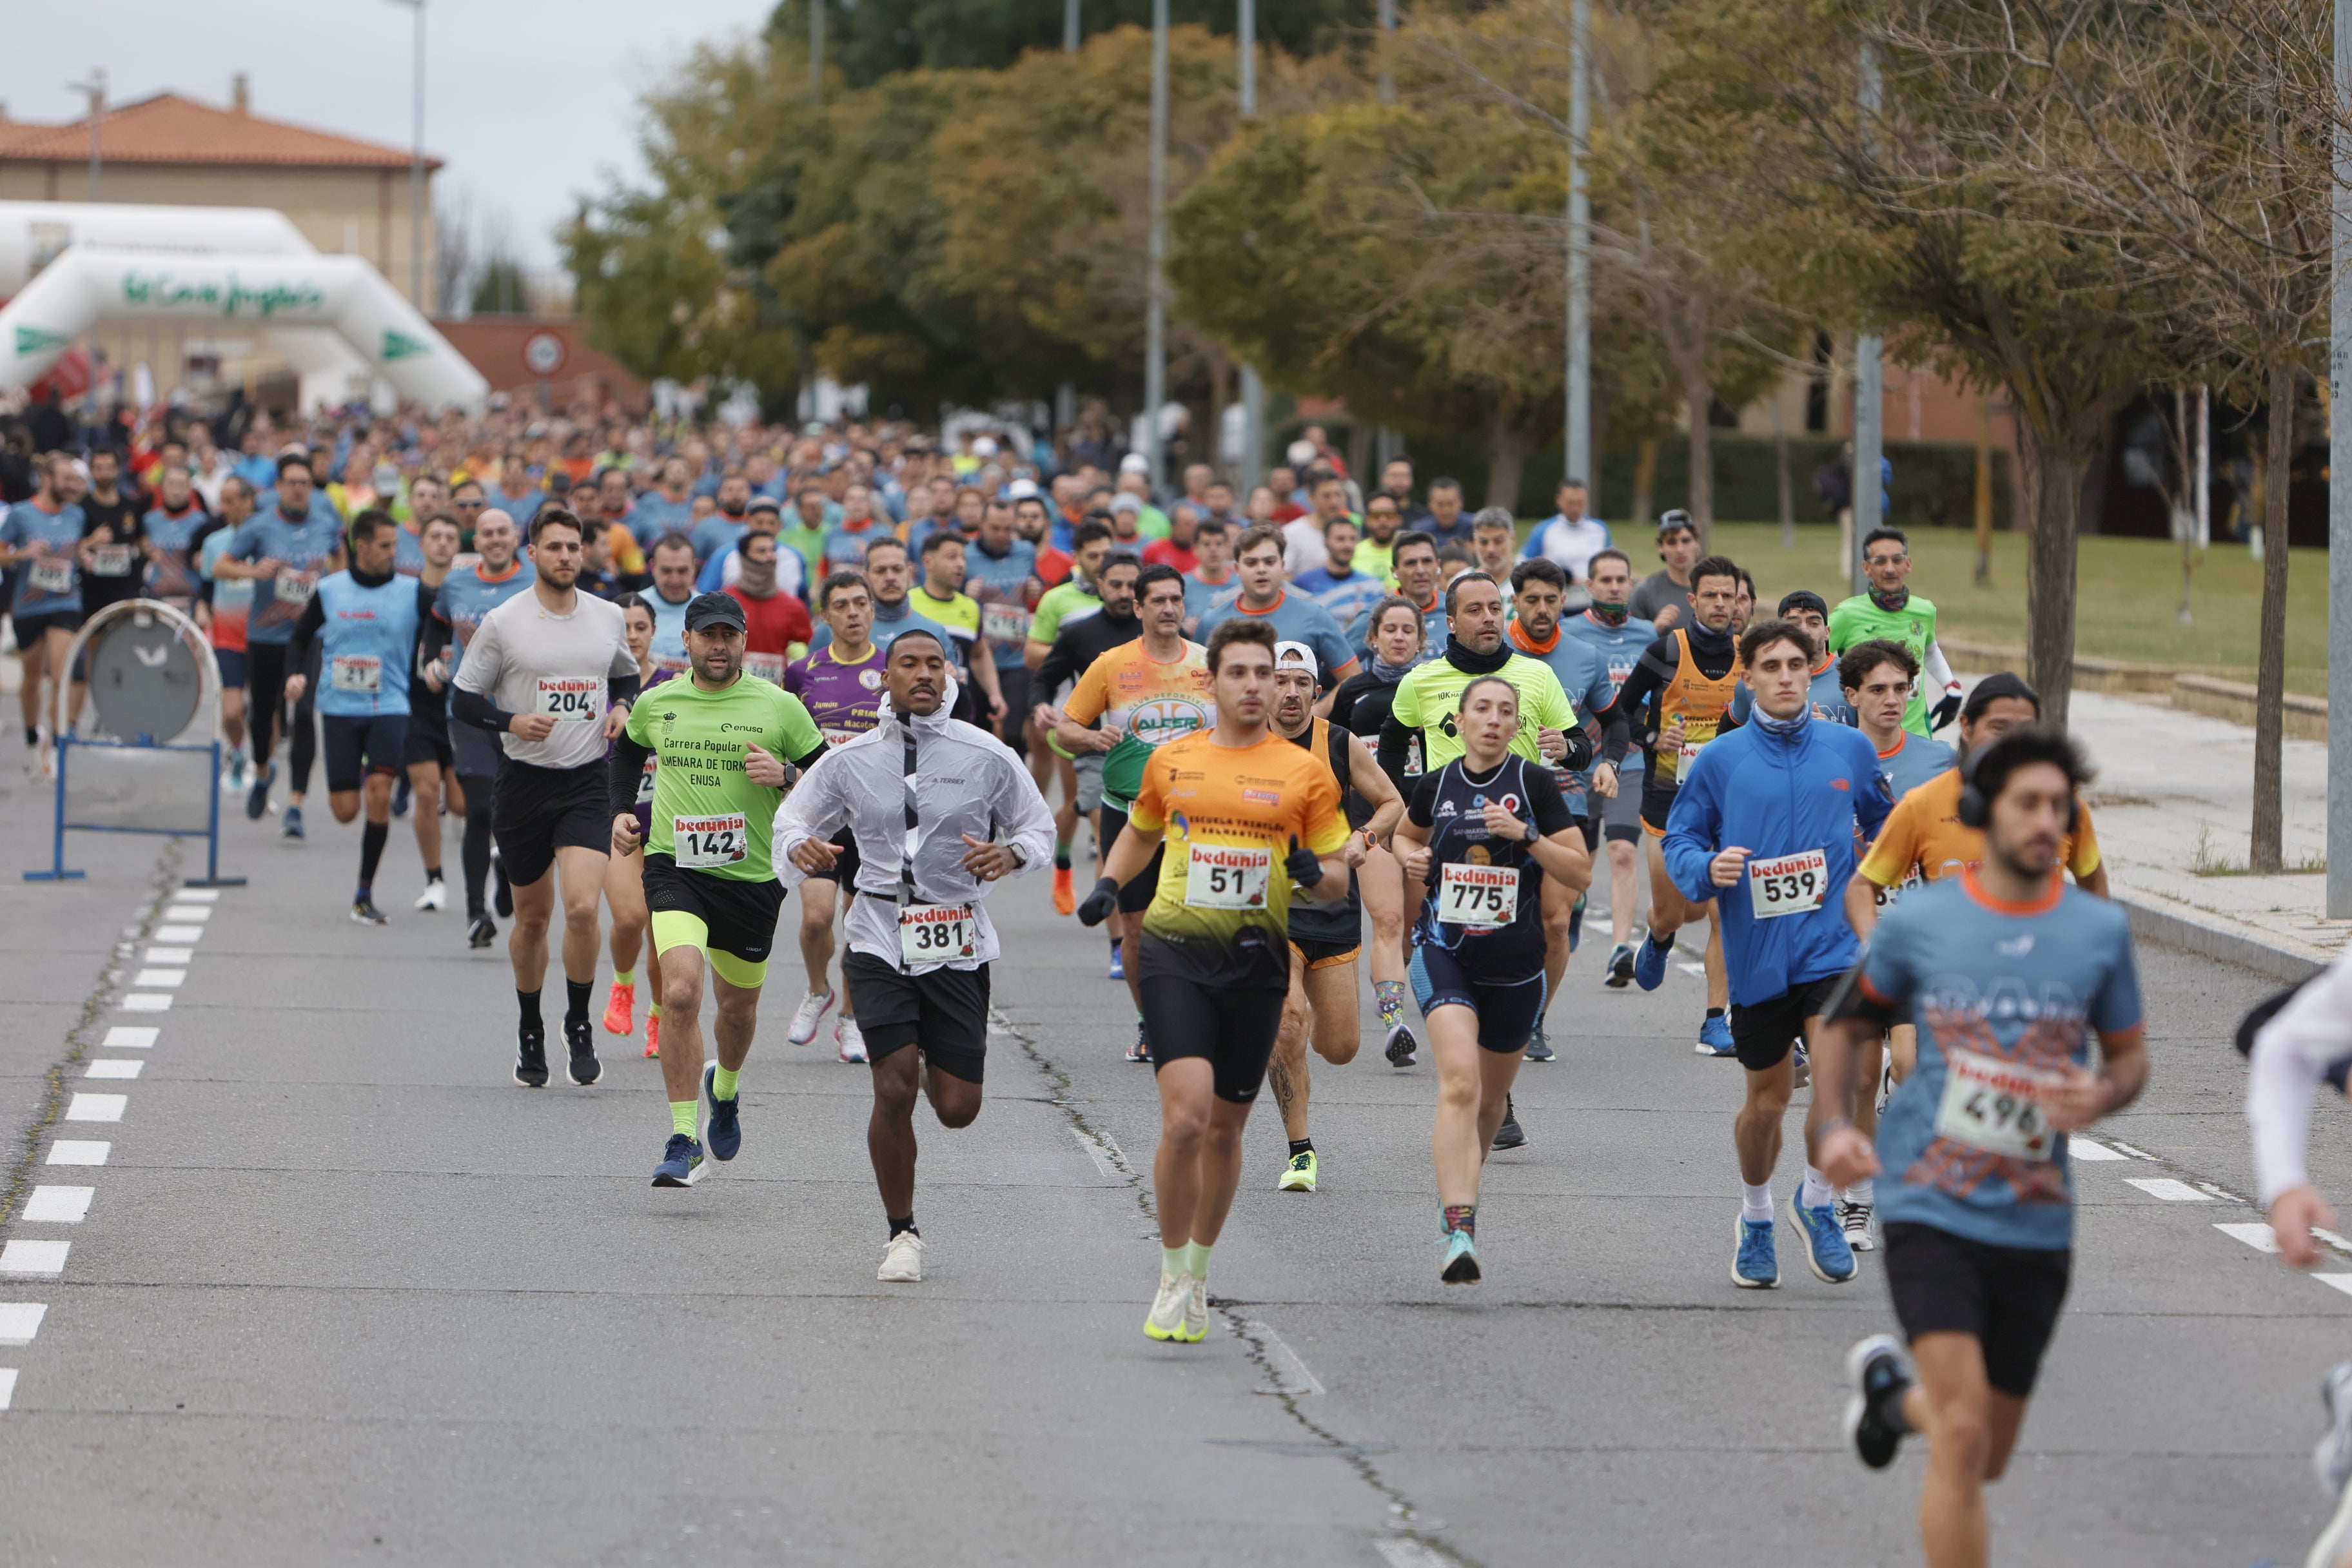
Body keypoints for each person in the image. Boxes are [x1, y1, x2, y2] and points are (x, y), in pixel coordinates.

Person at [1815, 729, 2145, 1568]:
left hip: (2036, 1220)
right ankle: (1919, 1410)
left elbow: (2131, 1057)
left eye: (2061, 809)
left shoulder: (2096, 934)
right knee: (1962, 1436)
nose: (2048, 823)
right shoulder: (1925, 921)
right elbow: (1847, 1024)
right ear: (1983, 812)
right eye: (2028, 803)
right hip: (1929, 1198)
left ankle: (1892, 1403)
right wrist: (1833, 1127)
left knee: (1985, 1452)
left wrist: (2102, 1094)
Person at [1077, 618, 1355, 1342]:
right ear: (1214, 681)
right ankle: (1172, 1272)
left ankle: (1199, 1268)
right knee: (1187, 1116)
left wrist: (1310, 873)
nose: (1257, 686)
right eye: (1241, 673)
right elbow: (1141, 827)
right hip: (1176, 951)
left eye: (1267, 673)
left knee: (1227, 1131)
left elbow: (1336, 881)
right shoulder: (1173, 759)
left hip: (1255, 960)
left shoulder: (1307, 772)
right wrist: (1109, 884)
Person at [778, 628, 1055, 1280]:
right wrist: (800, 848)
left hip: (957, 937)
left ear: (950, 674)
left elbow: (1036, 825)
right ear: (887, 676)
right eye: (909, 663)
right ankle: (901, 1232)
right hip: (876, 931)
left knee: (957, 1109)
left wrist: (1011, 852)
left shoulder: (985, 752)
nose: (924, 673)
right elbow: (793, 818)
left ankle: (929, 1051)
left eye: (935, 663)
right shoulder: (850, 758)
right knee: (894, 1083)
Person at [1662, 616, 1892, 1289]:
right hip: (1758, 954)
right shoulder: (1720, 760)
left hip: (1834, 946)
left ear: (1813, 669)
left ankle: (1817, 1200)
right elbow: (1681, 840)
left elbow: (1887, 823)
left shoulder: (1849, 749)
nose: (1787, 675)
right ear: (1750, 676)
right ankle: (1758, 1213)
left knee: (1839, 1079)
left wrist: (1875, 867)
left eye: (1798, 663)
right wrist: (1708, 866)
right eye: (1772, 666)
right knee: (1765, 1100)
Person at [611, 593, 828, 1186]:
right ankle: (684, 1139)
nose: (718, 645)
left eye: (729, 636)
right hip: (674, 867)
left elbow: (831, 781)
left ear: (742, 641)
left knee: (737, 1010)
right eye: (707, 635)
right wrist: (620, 812)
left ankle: (725, 1087)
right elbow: (626, 752)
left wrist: (786, 776)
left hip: (752, 879)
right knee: (681, 992)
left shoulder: (779, 706)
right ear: (685, 641)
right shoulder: (659, 702)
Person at [1394, 674, 1592, 1281]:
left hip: (1516, 966)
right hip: (1444, 951)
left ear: (1517, 724)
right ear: (1461, 717)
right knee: (1458, 1081)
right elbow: (1405, 833)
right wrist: (1411, 857)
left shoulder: (1535, 785)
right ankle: (1460, 1227)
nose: (1494, 719)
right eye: (1482, 708)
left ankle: (1460, 1196)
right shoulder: (1438, 783)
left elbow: (1580, 872)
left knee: (1489, 1101)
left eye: (1507, 711)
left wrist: (1527, 836)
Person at [451, 509, 641, 1090]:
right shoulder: (505, 622)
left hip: (586, 782)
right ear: (531, 553)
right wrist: (511, 719)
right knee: (533, 920)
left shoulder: (608, 617)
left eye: (574, 547)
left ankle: (577, 1023)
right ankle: (530, 1027)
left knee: (583, 907)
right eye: (554, 547)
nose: (565, 556)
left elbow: (627, 677)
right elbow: (463, 700)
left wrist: (621, 708)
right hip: (524, 782)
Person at [1826, 637, 1956, 1248]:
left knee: (1904, 1064)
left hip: (1909, 939)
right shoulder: (1830, 754)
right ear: (1849, 694)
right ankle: (1858, 1202)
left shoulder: (1938, 762)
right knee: (1858, 1074)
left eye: (1903, 688)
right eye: (1877, 689)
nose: (1892, 700)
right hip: (1837, 938)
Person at [1054, 564, 1211, 1060]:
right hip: (1128, 813)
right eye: (1158, 601)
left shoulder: (1210, 663)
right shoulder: (1111, 665)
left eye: (1176, 600)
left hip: (1199, 818)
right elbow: (1064, 730)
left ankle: (1201, 1018)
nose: (1168, 608)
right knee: (1139, 931)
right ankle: (1151, 1023)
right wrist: (1090, 736)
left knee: (1200, 927)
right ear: (1138, 608)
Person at [1262, 641, 1402, 1193]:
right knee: (1288, 1021)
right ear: (1263, 688)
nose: (1291, 692)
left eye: (1302, 683)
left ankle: (1288, 1034)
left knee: (1339, 1047)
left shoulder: (1338, 743)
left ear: (1317, 693)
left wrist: (1364, 838)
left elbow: (1392, 803)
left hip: (1331, 906)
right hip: (1268, 909)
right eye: (1281, 681)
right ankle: (1301, 1151)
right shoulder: (1242, 746)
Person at [1597, 553, 1741, 1055]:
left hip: (1728, 802)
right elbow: (1620, 713)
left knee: (1722, 912)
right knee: (1678, 911)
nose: (1721, 604)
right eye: (1712, 595)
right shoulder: (1665, 650)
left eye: (1730, 595)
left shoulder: (1751, 655)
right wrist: (1654, 735)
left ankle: (1713, 1022)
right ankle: (1658, 938)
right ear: (1693, 600)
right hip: (1667, 798)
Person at [1844, 673, 2108, 922]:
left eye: (2025, 730)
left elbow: (2093, 882)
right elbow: (1862, 889)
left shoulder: (2061, 803)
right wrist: (1878, 954)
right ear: (1967, 728)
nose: (2012, 742)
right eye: (1999, 728)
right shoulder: (1922, 804)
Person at [280, 510, 434, 925]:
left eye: (394, 546)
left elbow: (441, 630)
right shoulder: (330, 590)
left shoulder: (412, 591)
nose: (393, 553)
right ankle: (368, 775)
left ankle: (364, 893)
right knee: (346, 810)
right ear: (361, 547)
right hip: (338, 708)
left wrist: (437, 663)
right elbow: (298, 639)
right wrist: (296, 675)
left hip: (390, 706)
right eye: (385, 546)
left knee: (379, 793)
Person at [1503, 558, 1618, 1058]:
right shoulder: (1492, 651)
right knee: (1502, 915)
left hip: (1566, 798)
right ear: (1516, 601)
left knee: (1555, 919)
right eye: (1532, 600)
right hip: (1498, 799)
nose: (1543, 609)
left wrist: (1609, 761)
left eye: (1552, 600)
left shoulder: (1585, 656)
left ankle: (1535, 1019)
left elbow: (1615, 722)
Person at [786, 571, 891, 1063]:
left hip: (876, 818)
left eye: (861, 603)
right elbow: (786, 738)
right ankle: (816, 990)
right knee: (816, 918)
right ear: (824, 616)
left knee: (860, 925)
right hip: (822, 816)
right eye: (842, 605)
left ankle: (850, 1019)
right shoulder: (802, 671)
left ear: (873, 610)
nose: (853, 613)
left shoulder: (894, 668)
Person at [1328, 596, 1430, 1066]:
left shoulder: (1436, 687)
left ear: (1421, 640)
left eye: (1408, 630)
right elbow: (1332, 753)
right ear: (1373, 637)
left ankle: (1393, 986)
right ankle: (1395, 1024)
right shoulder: (1354, 692)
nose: (1398, 637)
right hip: (1372, 822)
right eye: (1389, 629)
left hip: (1425, 821)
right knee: (1386, 921)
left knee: (1409, 930)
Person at [219, 453, 344, 833]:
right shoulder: (258, 526)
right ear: (278, 487)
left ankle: (296, 805)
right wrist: (253, 570)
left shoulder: (327, 523)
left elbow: (341, 563)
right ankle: (261, 773)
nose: (297, 488)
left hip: (310, 636)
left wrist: (336, 596)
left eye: (304, 482)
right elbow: (220, 566)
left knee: (305, 715)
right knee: (263, 714)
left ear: (311, 487)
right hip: (265, 633)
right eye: (290, 481)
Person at [431, 508, 537, 946]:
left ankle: (505, 866)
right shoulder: (456, 582)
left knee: (515, 813)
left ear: (514, 538)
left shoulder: (535, 581)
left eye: (502, 533)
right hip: (471, 710)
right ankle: (477, 913)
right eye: (487, 533)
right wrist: (431, 660)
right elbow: (434, 621)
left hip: (524, 714)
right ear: (478, 539)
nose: (495, 540)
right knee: (478, 809)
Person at [1558, 548, 1656, 988]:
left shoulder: (1649, 635)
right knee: (1582, 859)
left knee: (1621, 852)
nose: (1616, 587)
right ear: (1591, 586)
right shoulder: (1569, 634)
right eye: (1607, 580)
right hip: (1577, 760)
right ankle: (1576, 905)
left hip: (1629, 759)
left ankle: (1621, 949)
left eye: (1623, 579)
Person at [1829, 527, 1963, 738]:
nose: (1890, 569)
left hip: (1916, 733)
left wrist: (1951, 687)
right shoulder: (1847, 614)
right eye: (1880, 561)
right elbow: (1818, 659)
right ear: (1866, 568)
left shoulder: (1925, 610)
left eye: (1897, 560)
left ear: (1908, 564)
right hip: (1866, 737)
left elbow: (1929, 650)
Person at [1197, 525, 1360, 691]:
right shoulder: (1212, 621)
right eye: (1251, 563)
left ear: (1282, 566)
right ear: (1237, 569)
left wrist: (1319, 710)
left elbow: (1354, 681)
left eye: (1269, 562)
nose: (1261, 569)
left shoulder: (1315, 616)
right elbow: (1198, 686)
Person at [0, 453, 87, 763]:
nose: (70, 484)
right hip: (29, 605)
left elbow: (77, 548)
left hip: (65, 602)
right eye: (65, 478)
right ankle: (30, 732)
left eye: (73, 478)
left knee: (60, 673)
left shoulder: (77, 514)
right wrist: (23, 554)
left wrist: (85, 554)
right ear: (47, 479)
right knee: (31, 678)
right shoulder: (21, 514)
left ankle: (55, 743)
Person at [195, 475, 257, 785]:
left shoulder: (267, 538)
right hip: (227, 636)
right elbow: (206, 586)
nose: (225, 507)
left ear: (249, 502)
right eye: (223, 501)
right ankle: (238, 750)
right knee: (231, 711)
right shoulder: (213, 542)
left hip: (263, 637)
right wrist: (202, 607)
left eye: (232, 501)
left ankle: (261, 770)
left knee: (265, 713)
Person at [720, 528, 814, 685]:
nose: (770, 557)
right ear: (744, 557)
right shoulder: (725, 601)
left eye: (772, 550)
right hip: (730, 690)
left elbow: (811, 653)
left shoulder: (793, 606)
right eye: (761, 551)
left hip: (776, 693)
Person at [77, 446, 148, 629]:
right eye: (99, 468)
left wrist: (148, 549)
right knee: (94, 642)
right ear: (91, 471)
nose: (104, 474)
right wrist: (91, 542)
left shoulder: (132, 506)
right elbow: (72, 547)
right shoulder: (81, 508)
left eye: (109, 468)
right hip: (93, 589)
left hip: (126, 588)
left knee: (125, 639)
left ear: (118, 470)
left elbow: (140, 540)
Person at [1518, 477, 1612, 607]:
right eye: (1570, 503)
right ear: (1559, 501)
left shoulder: (1600, 530)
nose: (1575, 508)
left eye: (1580, 503)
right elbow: (1522, 564)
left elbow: (1612, 565)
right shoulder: (1544, 530)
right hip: (1556, 605)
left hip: (1592, 604)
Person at [1291, 514, 1387, 631]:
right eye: (1340, 539)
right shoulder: (1303, 584)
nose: (1348, 545)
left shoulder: (1372, 584)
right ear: (1326, 543)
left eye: (1352, 539)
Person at [140, 462, 209, 612]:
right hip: (156, 598)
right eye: (171, 484)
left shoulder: (203, 522)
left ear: (190, 489)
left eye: (182, 485)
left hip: (192, 598)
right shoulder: (149, 521)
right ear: (162, 487)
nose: (176, 490)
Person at [1629, 511, 1701, 632]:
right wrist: (1654, 630)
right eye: (1672, 542)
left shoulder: (1715, 590)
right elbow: (1632, 643)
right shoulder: (1645, 593)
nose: (1680, 549)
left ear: (1697, 543)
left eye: (1686, 540)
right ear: (1661, 547)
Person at [642, 534, 699, 677]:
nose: (675, 579)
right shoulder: (634, 607)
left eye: (682, 571)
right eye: (667, 571)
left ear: (694, 568)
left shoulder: (708, 608)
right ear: (653, 567)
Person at [1469, 508, 1518, 584]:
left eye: (1498, 541)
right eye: (1484, 542)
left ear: (1512, 539)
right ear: (1475, 541)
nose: (1491, 549)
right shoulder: (1459, 584)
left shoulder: (1530, 580)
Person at [1423, 478, 1473, 550]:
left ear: (1461, 503)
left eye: (1451, 504)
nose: (1446, 510)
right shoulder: (1420, 531)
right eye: (1440, 505)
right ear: (1430, 505)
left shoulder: (1475, 527)